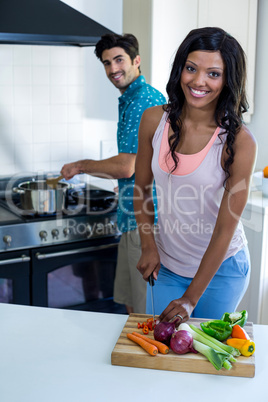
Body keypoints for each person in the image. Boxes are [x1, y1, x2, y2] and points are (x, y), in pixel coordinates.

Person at [133, 27, 257, 323]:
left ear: (228, 80)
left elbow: (225, 229)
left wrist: (190, 298)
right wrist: (149, 245)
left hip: (222, 270)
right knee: (163, 352)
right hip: (168, 266)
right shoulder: (153, 120)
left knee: (207, 359)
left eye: (213, 73)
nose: (198, 81)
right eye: (191, 68)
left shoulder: (239, 142)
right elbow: (140, 189)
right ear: (180, 69)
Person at [60, 33, 166, 314]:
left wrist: (80, 165)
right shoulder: (132, 99)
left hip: (145, 224)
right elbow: (136, 167)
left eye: (119, 60)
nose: (113, 69)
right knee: (132, 305)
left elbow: (126, 166)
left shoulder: (143, 99)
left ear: (137, 61)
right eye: (107, 63)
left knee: (146, 313)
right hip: (130, 218)